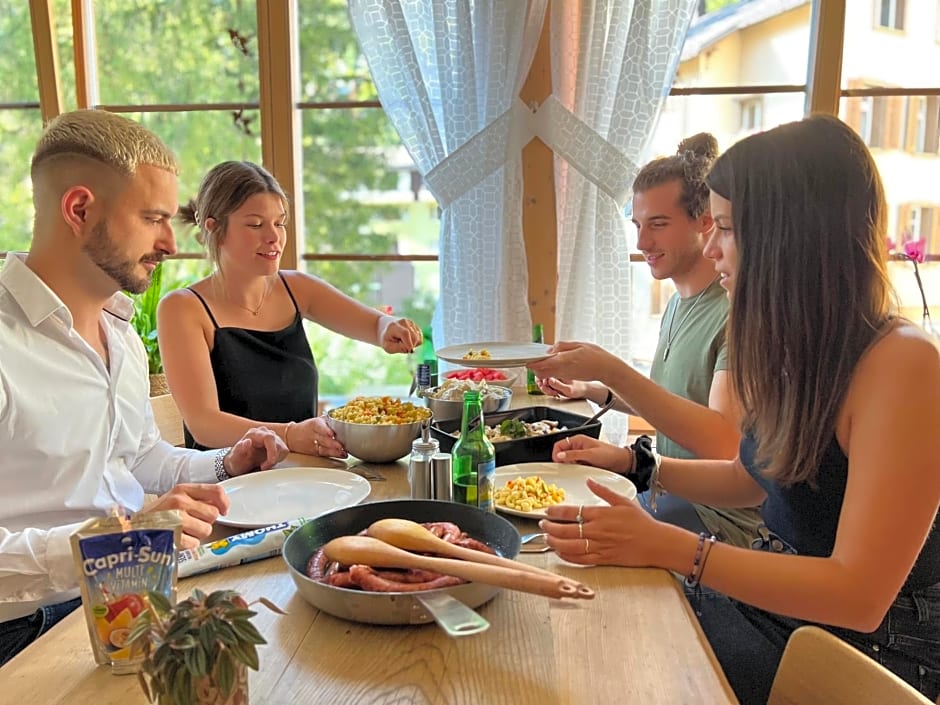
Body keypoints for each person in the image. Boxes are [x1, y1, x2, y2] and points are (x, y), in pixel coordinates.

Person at [539, 115, 940, 704]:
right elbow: (752, 481)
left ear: (789, 235)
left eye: (724, 227)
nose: (709, 245)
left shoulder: (904, 365)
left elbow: (859, 594)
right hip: (775, 605)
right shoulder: (798, 346)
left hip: (867, 652)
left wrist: (673, 547)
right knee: (583, 631)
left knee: (614, 668)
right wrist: (635, 467)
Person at [0, 110, 288, 667]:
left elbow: (136, 460)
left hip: (142, 593)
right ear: (79, 209)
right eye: (154, 218)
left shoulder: (119, 331)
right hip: (28, 630)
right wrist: (118, 542)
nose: (171, 243)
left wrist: (228, 464)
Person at [529, 133, 761, 548]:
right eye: (637, 225)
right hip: (670, 495)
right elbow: (671, 400)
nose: (642, 243)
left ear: (705, 221)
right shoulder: (678, 304)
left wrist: (611, 369)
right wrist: (594, 390)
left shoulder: (737, 314)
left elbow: (725, 441)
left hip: (719, 521)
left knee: (570, 533)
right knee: (550, 515)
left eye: (658, 224)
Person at [156, 161, 424, 456]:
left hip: (302, 477)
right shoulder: (183, 309)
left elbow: (376, 326)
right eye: (256, 224)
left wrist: (390, 327)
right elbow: (204, 424)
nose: (273, 237)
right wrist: (291, 435)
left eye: (279, 222)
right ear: (215, 229)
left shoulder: (297, 289)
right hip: (228, 488)